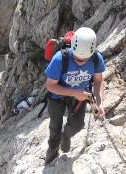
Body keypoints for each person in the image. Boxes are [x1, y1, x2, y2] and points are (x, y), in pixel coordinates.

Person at [44, 27, 106, 164]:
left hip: (80, 95)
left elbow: (98, 81)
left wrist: (99, 102)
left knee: (77, 125)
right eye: (77, 58)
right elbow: (50, 85)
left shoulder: (96, 58)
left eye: (84, 60)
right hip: (57, 96)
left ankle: (66, 136)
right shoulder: (60, 59)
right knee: (55, 126)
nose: (80, 62)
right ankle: (53, 149)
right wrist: (74, 93)